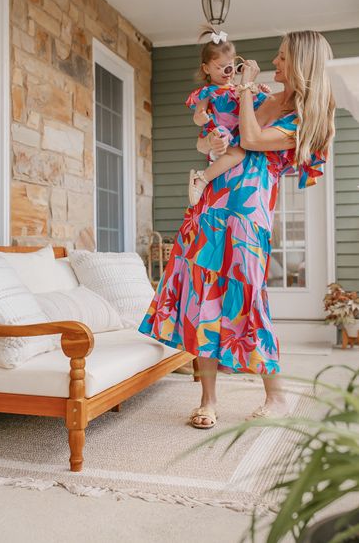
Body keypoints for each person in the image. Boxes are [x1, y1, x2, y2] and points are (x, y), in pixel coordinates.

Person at [138, 30, 335, 429]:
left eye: (282, 58)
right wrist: (209, 142)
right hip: (212, 203)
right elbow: (229, 143)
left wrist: (245, 90)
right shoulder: (267, 97)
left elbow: (252, 137)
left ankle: (275, 395)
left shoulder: (303, 119)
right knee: (202, 295)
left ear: (300, 63)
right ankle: (208, 400)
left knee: (249, 293)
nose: (275, 63)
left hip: (247, 212)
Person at [187, 26, 270, 206]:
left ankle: (207, 179)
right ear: (206, 69)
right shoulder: (208, 91)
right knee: (237, 154)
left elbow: (252, 105)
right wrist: (201, 116)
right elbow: (198, 115)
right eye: (220, 68)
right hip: (220, 131)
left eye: (230, 67)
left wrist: (259, 91)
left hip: (238, 133)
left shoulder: (238, 89)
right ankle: (202, 179)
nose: (227, 72)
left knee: (239, 154)